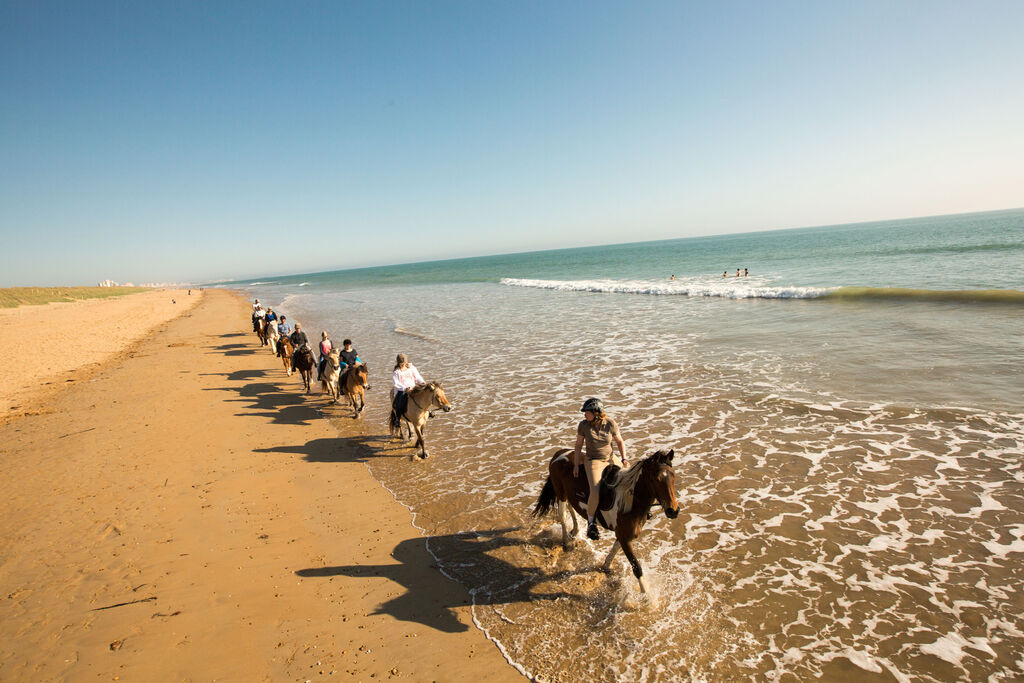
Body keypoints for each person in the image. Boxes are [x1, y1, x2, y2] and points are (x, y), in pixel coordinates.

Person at [573, 397, 628, 540]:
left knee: (629, 478)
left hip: (610, 458)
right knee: (595, 489)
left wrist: (624, 459)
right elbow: (578, 445)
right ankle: (591, 522)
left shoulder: (610, 423)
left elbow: (620, 442)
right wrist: (576, 465)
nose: (584, 414)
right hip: (593, 461)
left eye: (587, 412)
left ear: (596, 412)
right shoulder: (583, 425)